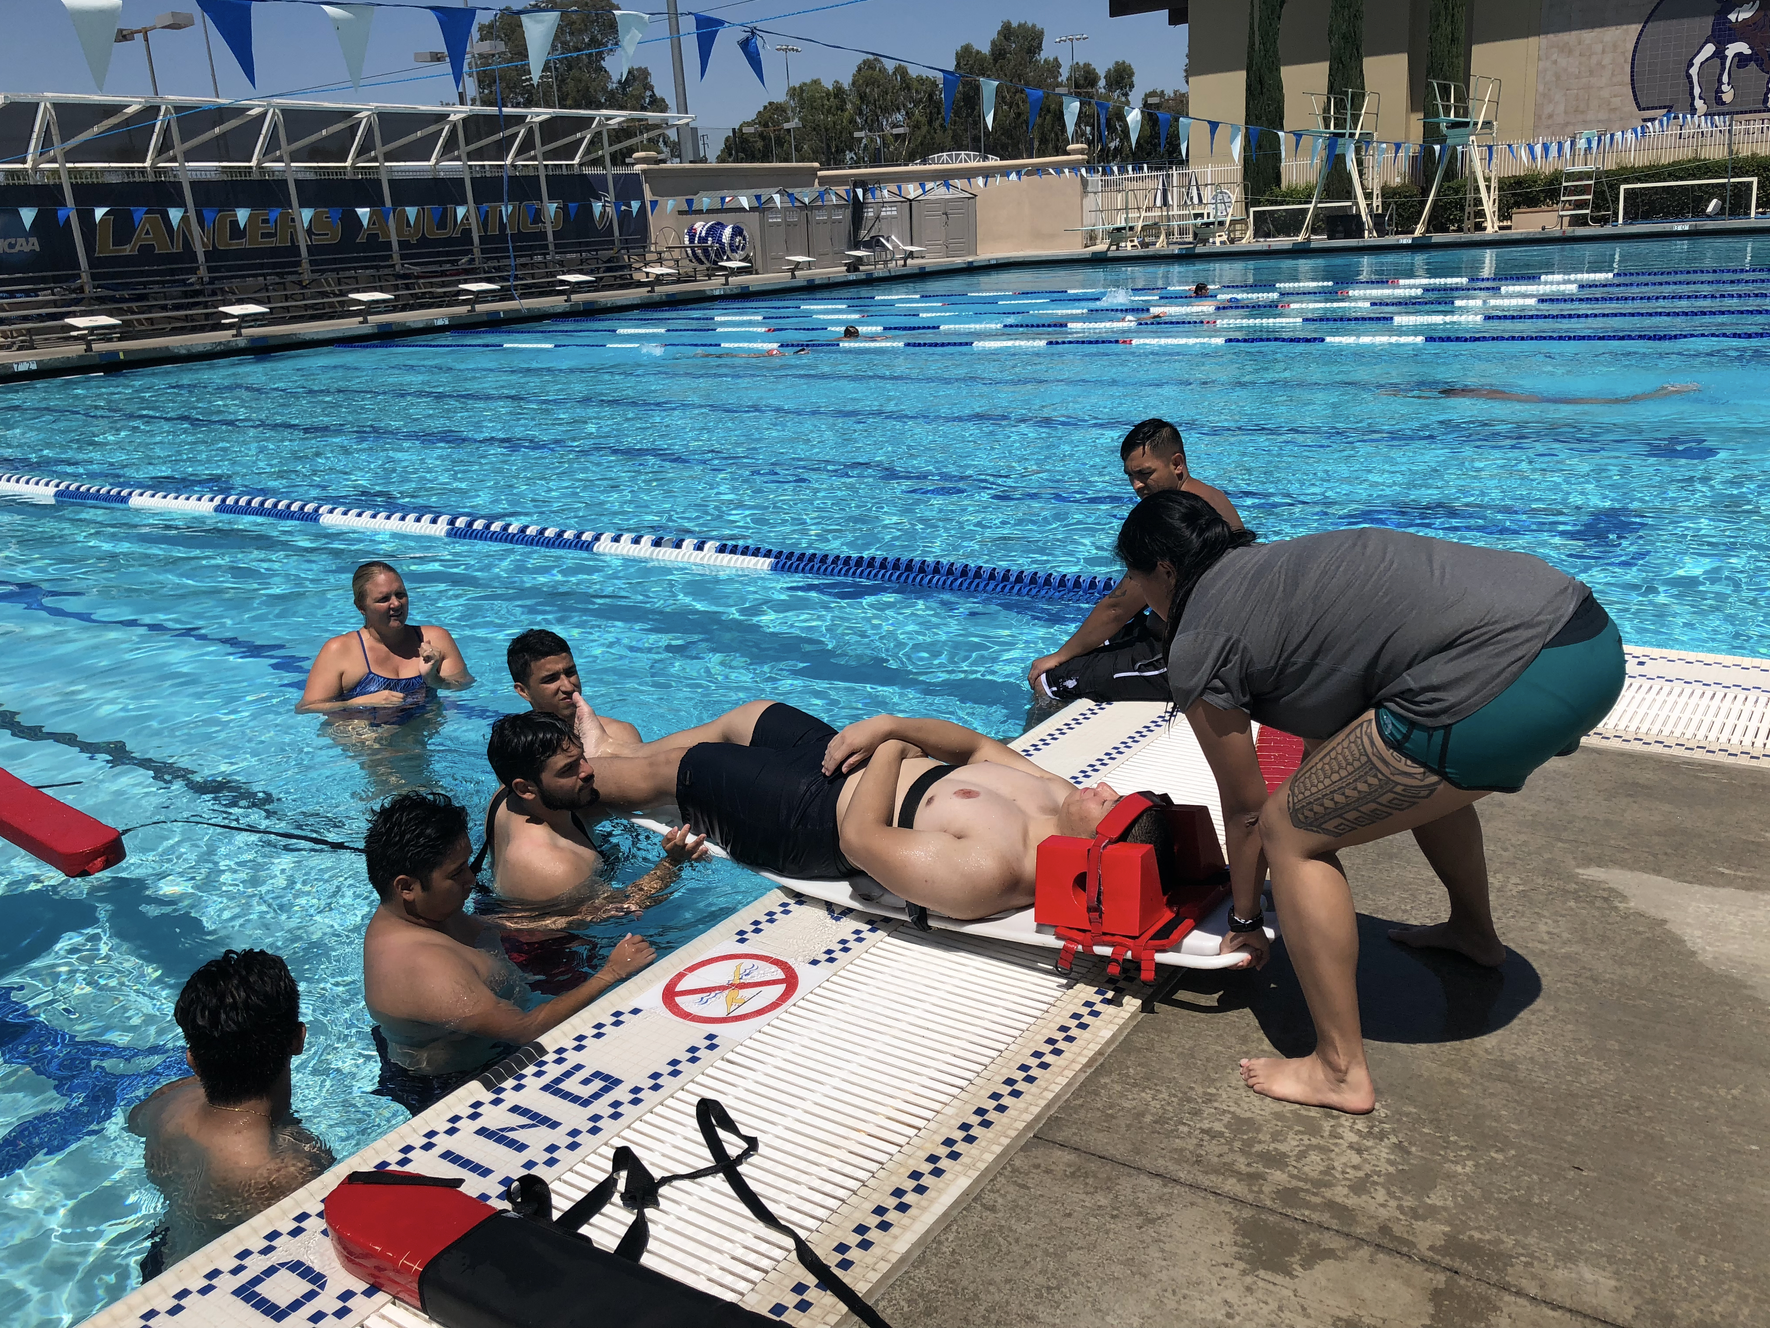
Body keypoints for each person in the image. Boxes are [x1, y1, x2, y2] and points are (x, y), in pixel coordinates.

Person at [1113, 491, 1626, 1114]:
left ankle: (1338, 1070)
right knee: (1413, 779)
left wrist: (1245, 921)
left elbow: (1247, 808)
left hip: (1509, 677)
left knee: (1291, 833)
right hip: (1588, 642)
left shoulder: (1201, 639)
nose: (1137, 593)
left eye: (1134, 577)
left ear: (1165, 571)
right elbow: (1333, 737)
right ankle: (1473, 933)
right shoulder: (1277, 569)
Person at [562, 701, 1166, 923]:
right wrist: (894, 726)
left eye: (1111, 806)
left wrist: (894, 750)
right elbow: (980, 747)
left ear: (1099, 850)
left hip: (807, 819)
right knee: (751, 716)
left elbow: (859, 841)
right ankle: (623, 754)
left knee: (687, 767)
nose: (1105, 787)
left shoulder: (994, 871)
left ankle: (579, 780)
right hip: (856, 768)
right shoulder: (1061, 799)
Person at [361, 790, 655, 1114]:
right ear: (406, 887)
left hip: (481, 1043)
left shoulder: (426, 912)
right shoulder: (425, 969)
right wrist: (611, 973)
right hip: (458, 1089)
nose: (471, 880)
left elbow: (497, 927)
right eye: (456, 872)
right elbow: (528, 1030)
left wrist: (591, 913)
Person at [127, 950, 334, 1280]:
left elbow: (133, 1120)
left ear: (193, 1060)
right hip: (211, 1283)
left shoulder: (166, 1105)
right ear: (299, 1039)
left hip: (165, 1259)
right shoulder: (281, 1172)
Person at [1027, 419, 1243, 706]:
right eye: (1130, 475)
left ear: (1177, 463)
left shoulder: (1173, 520)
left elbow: (1117, 608)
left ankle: (1027, 749)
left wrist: (1058, 657)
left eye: (1145, 473)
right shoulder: (1207, 497)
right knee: (1097, 644)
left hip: (1186, 658)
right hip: (1201, 639)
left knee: (1050, 680)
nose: (1137, 485)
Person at [481, 710, 707, 923]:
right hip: (554, 948)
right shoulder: (554, 866)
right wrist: (673, 862)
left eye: (582, 757)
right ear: (525, 789)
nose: (588, 770)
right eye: (567, 769)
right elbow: (621, 909)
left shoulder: (507, 796)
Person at [299, 561, 473, 715]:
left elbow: (465, 685)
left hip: (421, 733)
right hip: (363, 737)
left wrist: (434, 679)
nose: (396, 604)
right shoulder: (339, 650)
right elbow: (306, 707)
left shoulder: (435, 638)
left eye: (400, 595)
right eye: (383, 599)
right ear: (361, 607)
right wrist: (358, 702)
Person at [507, 628, 641, 749]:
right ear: (523, 691)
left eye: (571, 673)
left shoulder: (619, 735)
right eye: (550, 679)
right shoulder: (516, 746)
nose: (569, 687)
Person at [1386, 382, 1698, 405]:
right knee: (1619, 403)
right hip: (1538, 400)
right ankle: (1661, 392)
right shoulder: (1479, 392)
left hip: (1542, 402)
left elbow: (1430, 397)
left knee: (1620, 403)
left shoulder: (1469, 396)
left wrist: (1400, 396)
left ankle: (1662, 392)